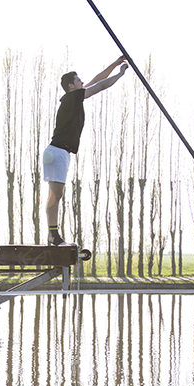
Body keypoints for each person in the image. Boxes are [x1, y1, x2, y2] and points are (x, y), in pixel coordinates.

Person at [42, 54, 129, 246]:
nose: (82, 81)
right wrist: (121, 74)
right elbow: (101, 86)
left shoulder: (73, 98)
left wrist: (115, 64)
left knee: (54, 194)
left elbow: (96, 79)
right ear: (71, 86)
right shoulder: (73, 97)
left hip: (54, 151)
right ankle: (53, 236)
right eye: (78, 80)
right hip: (58, 151)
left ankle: (52, 234)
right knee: (56, 195)